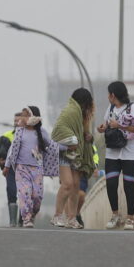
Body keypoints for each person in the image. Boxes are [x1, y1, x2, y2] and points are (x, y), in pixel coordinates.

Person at [97, 81, 134, 230]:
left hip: (131, 154)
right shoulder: (111, 108)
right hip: (113, 153)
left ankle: (130, 219)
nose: (108, 97)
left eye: (108, 94)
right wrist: (102, 128)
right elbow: (107, 124)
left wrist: (120, 126)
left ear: (113, 95)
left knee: (128, 186)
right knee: (111, 184)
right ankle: (115, 215)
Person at [3, 106, 60, 228]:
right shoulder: (19, 132)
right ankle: (26, 218)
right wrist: (7, 166)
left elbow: (52, 146)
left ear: (34, 117)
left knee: (37, 197)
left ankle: (32, 213)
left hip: (37, 169)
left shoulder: (41, 132)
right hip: (21, 168)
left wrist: (66, 147)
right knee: (25, 193)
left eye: (26, 115)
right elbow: (12, 150)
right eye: (22, 115)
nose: (22, 118)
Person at [50, 88, 96, 229]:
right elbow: (57, 131)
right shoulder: (70, 111)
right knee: (67, 184)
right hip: (65, 153)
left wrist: (89, 137)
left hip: (77, 155)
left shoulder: (84, 116)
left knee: (76, 184)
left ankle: (72, 218)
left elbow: (85, 135)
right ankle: (57, 215)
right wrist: (69, 142)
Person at [0, 118, 18, 226]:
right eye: (16, 120)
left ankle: (24, 219)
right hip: (11, 168)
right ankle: (13, 221)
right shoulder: (6, 136)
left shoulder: (33, 135)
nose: (17, 122)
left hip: (27, 169)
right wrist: (0, 161)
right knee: (11, 191)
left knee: (27, 195)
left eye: (20, 120)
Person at [75, 144, 100, 229]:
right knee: (69, 193)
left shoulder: (87, 139)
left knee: (81, 195)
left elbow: (94, 154)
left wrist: (95, 167)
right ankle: (70, 217)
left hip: (83, 170)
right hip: (69, 167)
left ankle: (77, 213)